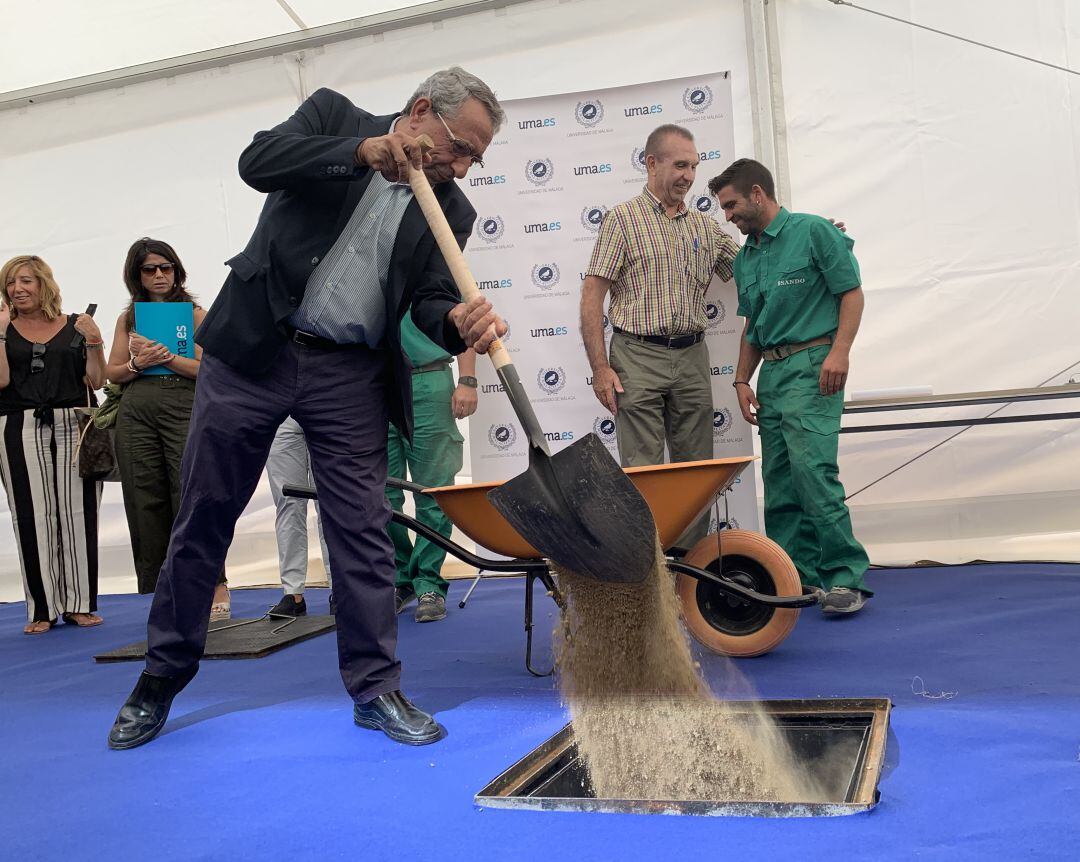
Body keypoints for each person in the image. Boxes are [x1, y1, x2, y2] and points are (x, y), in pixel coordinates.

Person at [108, 67, 507, 752]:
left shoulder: (452, 211)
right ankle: (160, 676)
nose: (465, 167)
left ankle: (376, 688)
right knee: (205, 514)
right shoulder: (332, 118)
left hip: (349, 375)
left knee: (362, 531)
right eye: (461, 147)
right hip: (252, 354)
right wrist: (360, 153)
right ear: (418, 112)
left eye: (476, 157)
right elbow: (256, 162)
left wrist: (457, 324)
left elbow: (430, 300)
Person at [708, 158, 872, 615]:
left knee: (812, 473)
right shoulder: (746, 256)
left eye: (732, 205)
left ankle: (845, 576)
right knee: (780, 482)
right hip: (773, 376)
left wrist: (840, 352)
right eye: (723, 209)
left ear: (758, 193)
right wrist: (741, 378)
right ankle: (797, 577)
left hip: (815, 364)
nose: (728, 216)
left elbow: (851, 293)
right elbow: (752, 327)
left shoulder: (815, 232)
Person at [580, 124, 739, 546]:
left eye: (694, 166)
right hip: (636, 356)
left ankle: (690, 577)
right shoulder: (622, 220)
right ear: (652, 163)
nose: (689, 175)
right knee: (644, 473)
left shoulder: (705, 228)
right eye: (680, 164)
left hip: (691, 358)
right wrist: (599, 368)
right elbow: (592, 295)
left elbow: (752, 269)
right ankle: (652, 575)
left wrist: (805, 242)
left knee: (696, 473)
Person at [105, 239, 229, 616]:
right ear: (136, 276)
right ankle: (162, 591)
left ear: (176, 271)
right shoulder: (129, 318)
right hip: (138, 407)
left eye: (166, 267)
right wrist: (138, 365)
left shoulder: (194, 313)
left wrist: (170, 358)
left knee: (191, 492)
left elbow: (213, 368)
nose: (159, 275)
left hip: (183, 404)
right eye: (149, 269)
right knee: (145, 497)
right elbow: (110, 373)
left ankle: (215, 585)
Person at [0, 255, 107, 633]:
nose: (18, 289)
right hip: (18, 423)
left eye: (26, 280)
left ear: (44, 284)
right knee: (31, 515)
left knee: (80, 512)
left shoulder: (76, 324)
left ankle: (79, 603)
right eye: (11, 282)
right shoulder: (3, 328)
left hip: (74, 421)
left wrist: (94, 342)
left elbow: (96, 381)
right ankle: (42, 608)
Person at [386, 313, 479, 623]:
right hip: (375, 384)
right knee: (380, 495)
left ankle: (428, 583)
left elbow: (464, 320)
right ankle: (399, 579)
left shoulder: (438, 264)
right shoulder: (362, 266)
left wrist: (467, 379)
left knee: (433, 491)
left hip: (428, 378)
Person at [264, 416, 331, 617]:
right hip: (280, 410)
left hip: (323, 405)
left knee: (331, 503)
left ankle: (340, 589)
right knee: (288, 502)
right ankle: (292, 593)